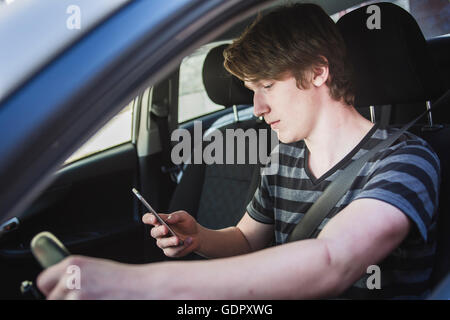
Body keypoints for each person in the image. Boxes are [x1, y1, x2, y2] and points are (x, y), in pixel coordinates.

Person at [37, 3, 440, 299]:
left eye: (267, 86)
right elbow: (247, 240)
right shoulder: (283, 159)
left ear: (318, 71)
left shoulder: (406, 161)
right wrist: (200, 238)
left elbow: (334, 261)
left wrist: (134, 284)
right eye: (252, 92)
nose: (258, 109)